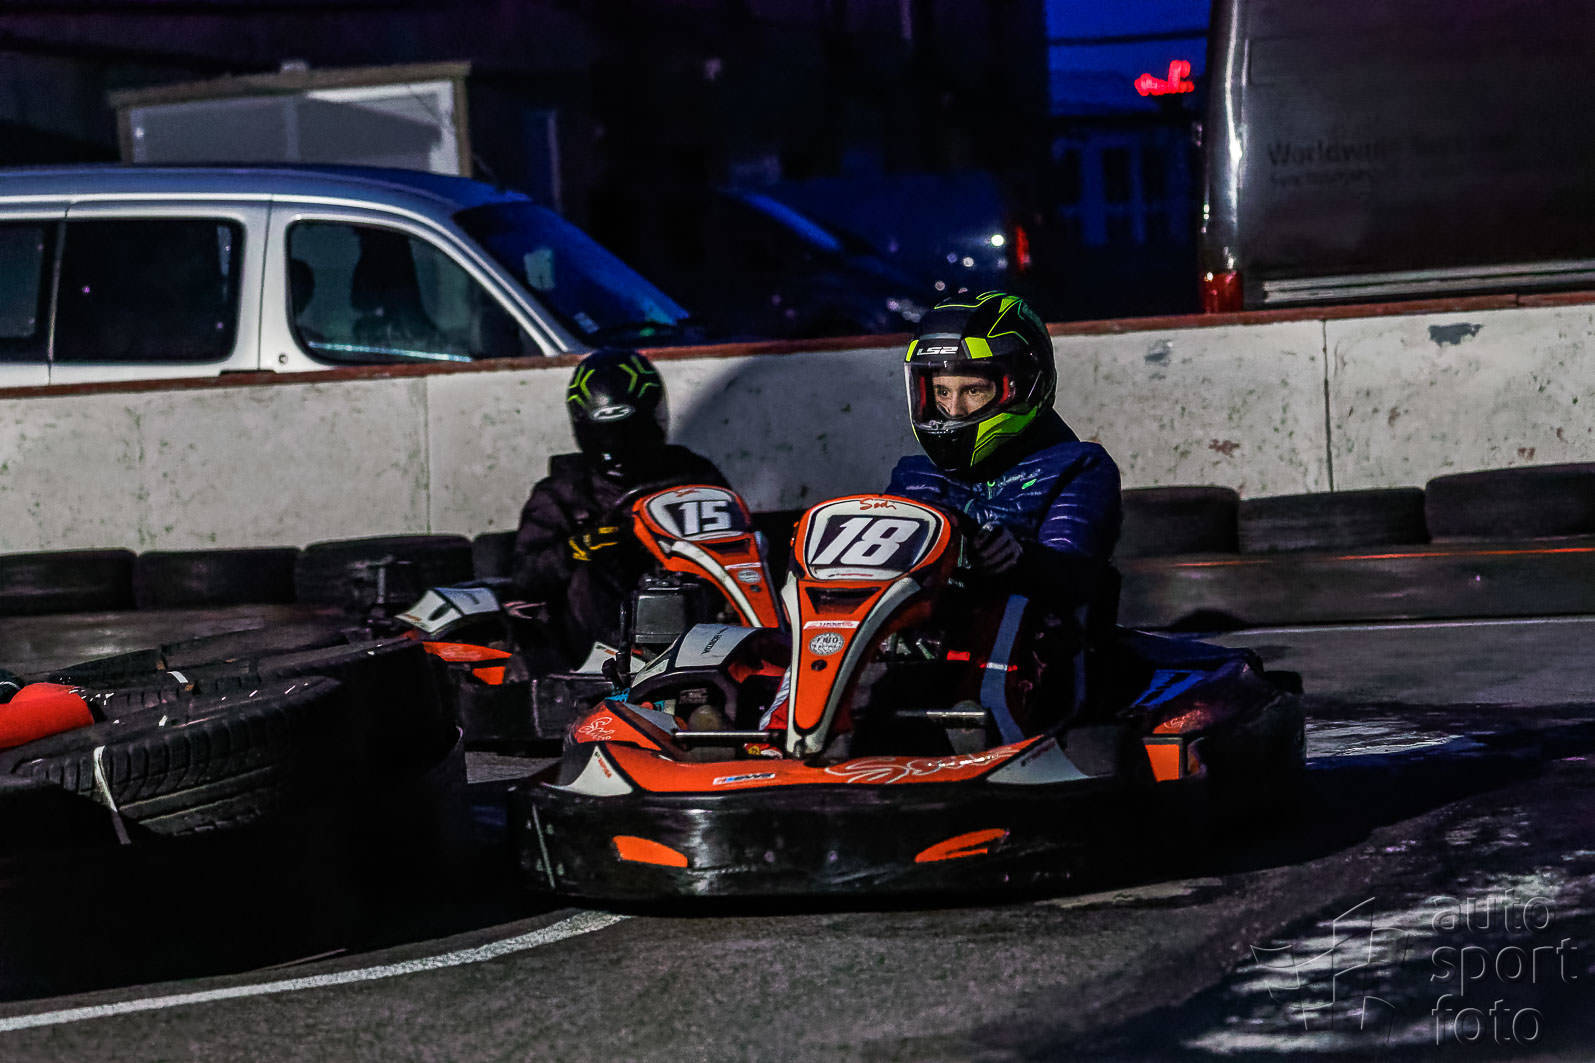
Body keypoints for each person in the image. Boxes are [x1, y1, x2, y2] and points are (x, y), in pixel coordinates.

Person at [510, 348, 727, 664]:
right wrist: (575, 549)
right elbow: (524, 576)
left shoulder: (692, 475)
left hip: (699, 632)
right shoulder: (564, 492)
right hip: (600, 646)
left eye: (631, 433)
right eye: (606, 435)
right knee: (595, 567)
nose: (619, 444)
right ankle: (622, 668)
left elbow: (740, 539)